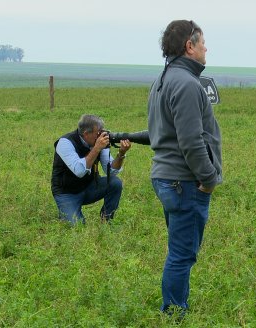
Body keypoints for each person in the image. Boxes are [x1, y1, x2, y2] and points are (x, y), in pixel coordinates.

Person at [147, 20, 223, 315]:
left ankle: (174, 307)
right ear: (189, 46)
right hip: (184, 182)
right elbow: (191, 141)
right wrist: (209, 179)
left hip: (165, 177)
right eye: (202, 43)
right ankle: (174, 313)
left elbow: (160, 132)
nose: (206, 49)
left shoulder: (162, 80)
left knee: (177, 250)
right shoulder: (188, 84)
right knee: (181, 254)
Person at [51, 114, 131, 224]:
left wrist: (121, 154)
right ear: (86, 134)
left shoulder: (98, 142)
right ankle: (67, 213)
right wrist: (96, 148)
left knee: (115, 183)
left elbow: (112, 170)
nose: (101, 136)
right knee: (77, 226)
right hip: (67, 192)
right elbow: (79, 171)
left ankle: (107, 220)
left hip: (89, 187)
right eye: (97, 133)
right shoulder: (65, 143)